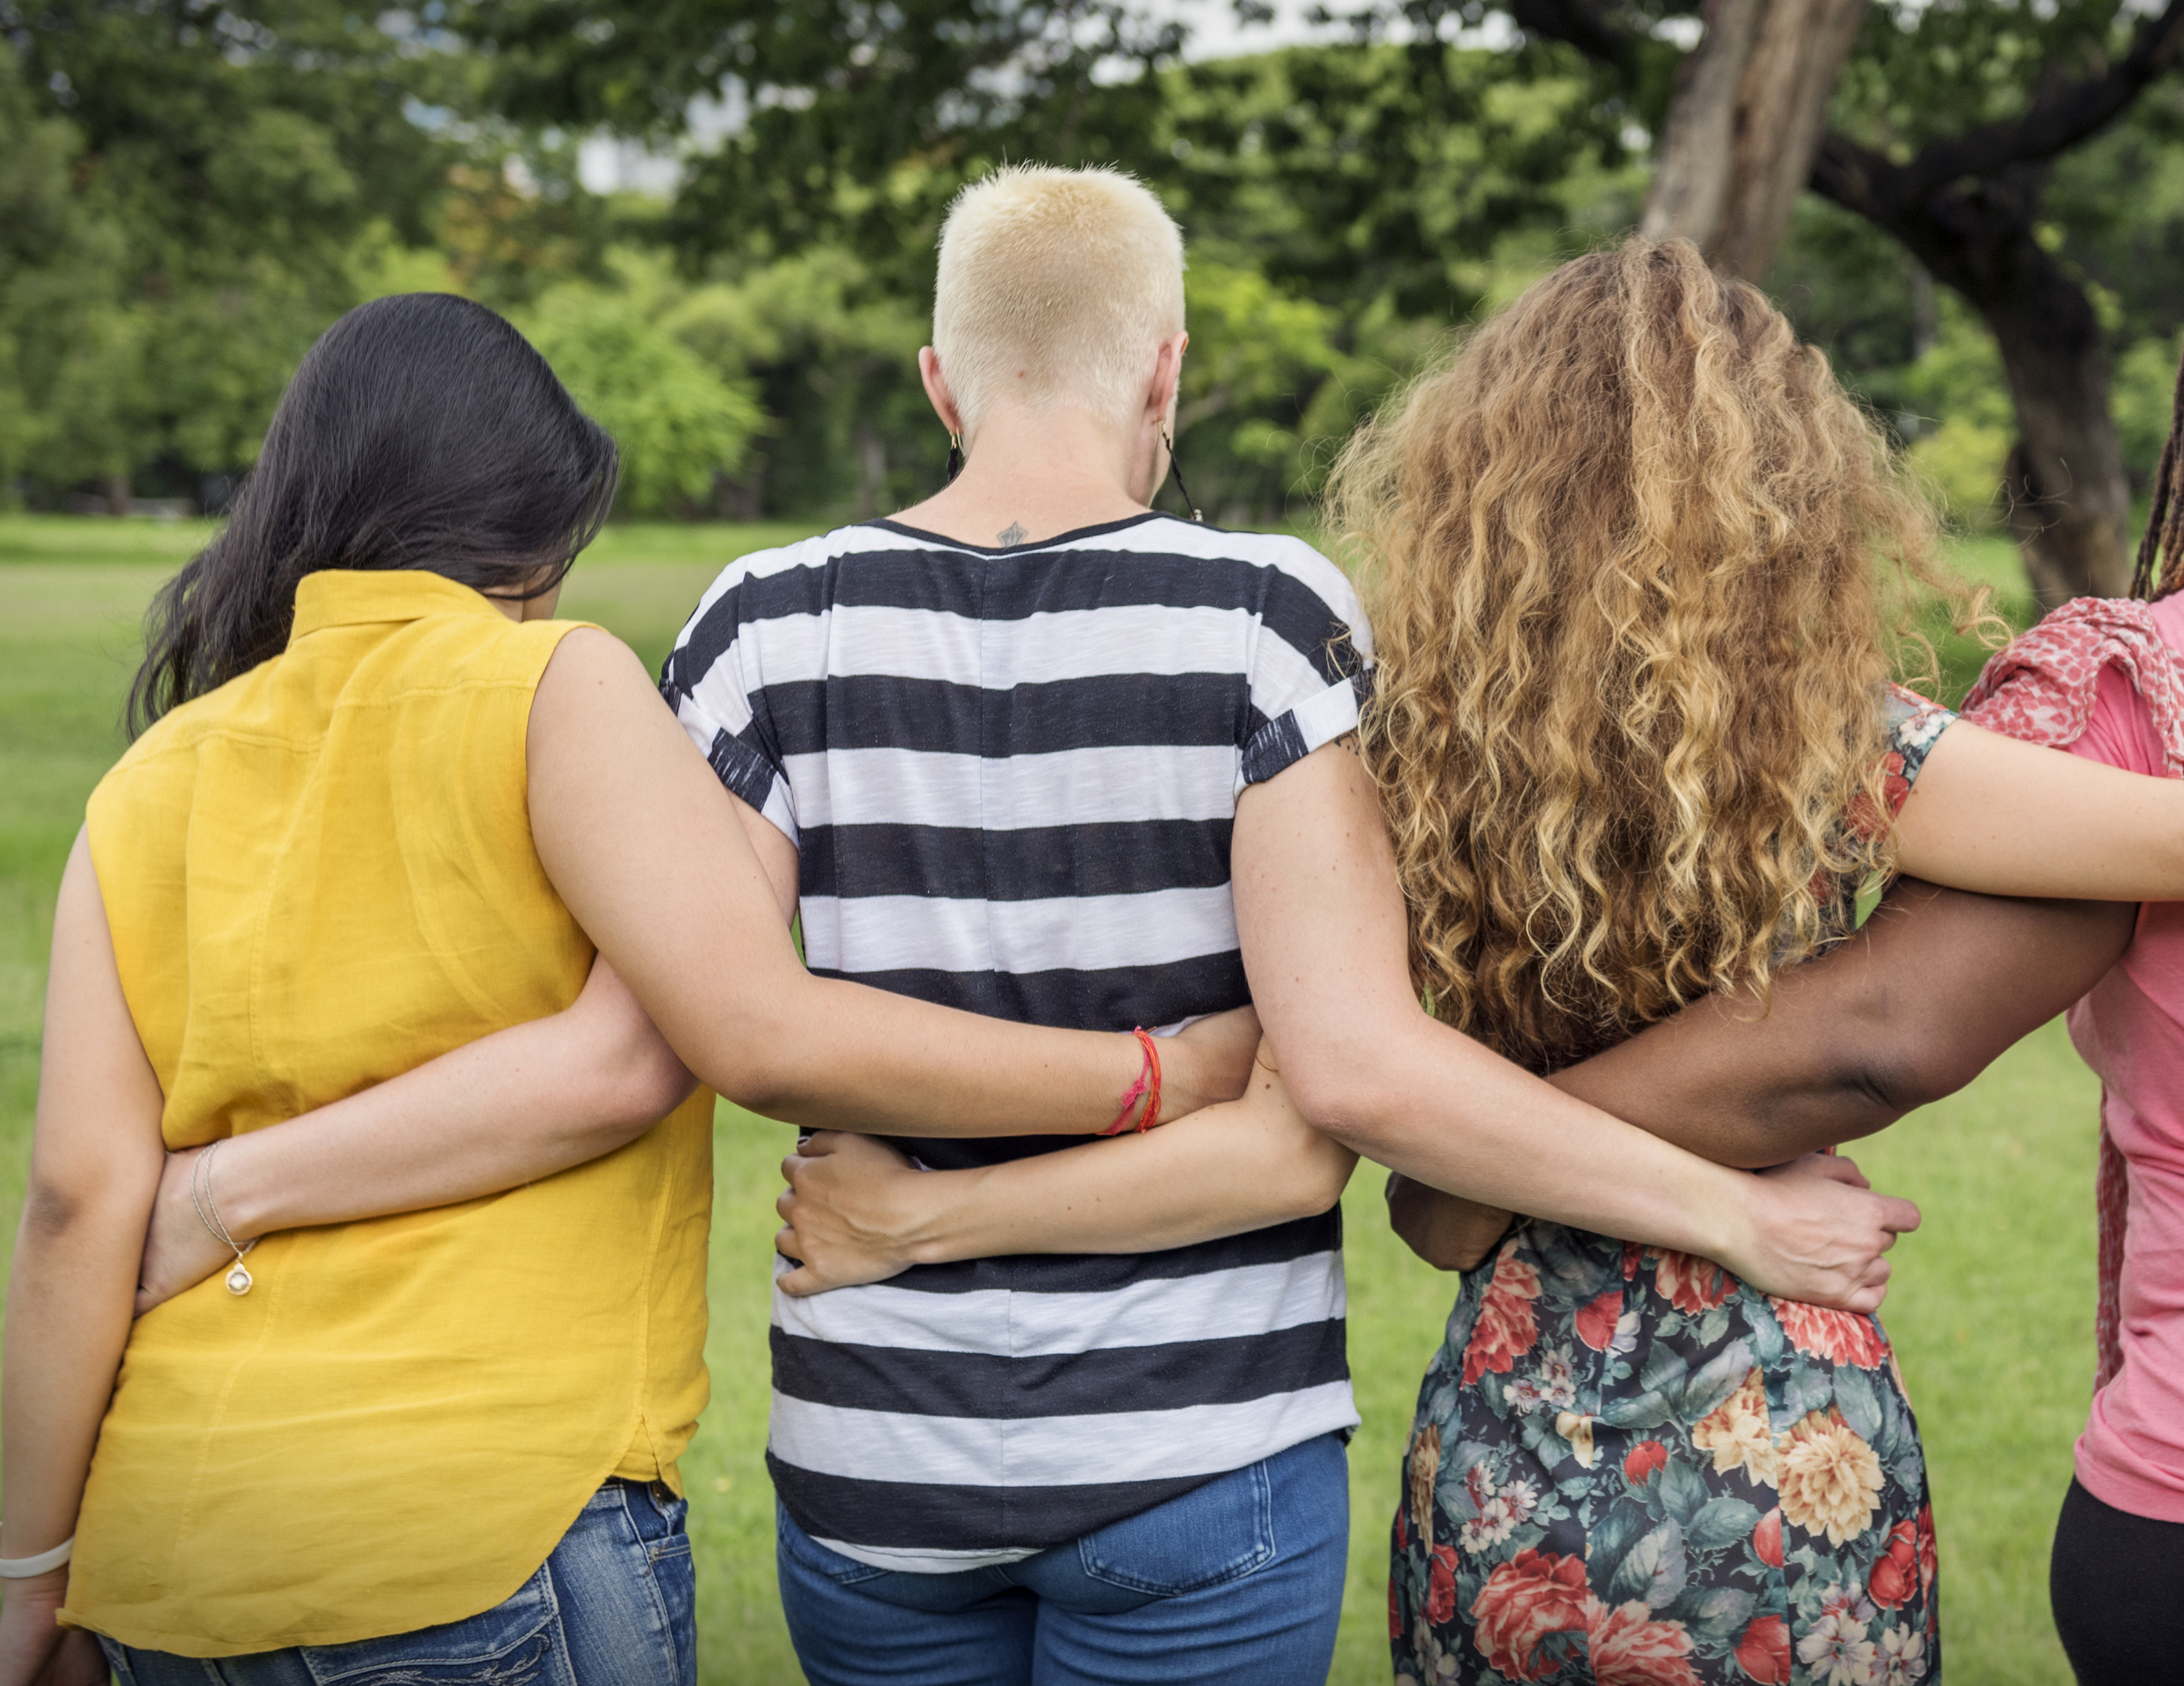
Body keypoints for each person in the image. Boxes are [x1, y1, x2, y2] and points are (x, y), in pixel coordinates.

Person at [770, 235, 2184, 1685]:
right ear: (1782, 482)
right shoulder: (1826, 741)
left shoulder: (1390, 743)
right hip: (1781, 1415)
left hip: (1507, 1427)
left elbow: (1338, 1078)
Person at [0, 291, 1298, 1686]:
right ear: (529, 529)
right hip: (489, 1520)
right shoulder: (550, 683)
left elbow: (77, 1206)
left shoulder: (152, 781)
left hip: (179, 1555)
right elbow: (723, 1030)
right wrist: (1161, 1073)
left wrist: (28, 1579)